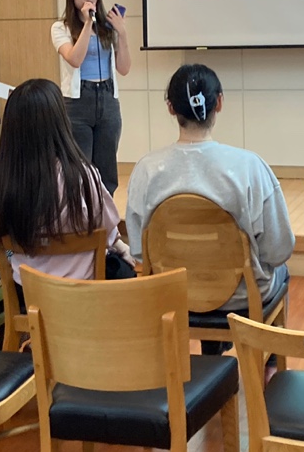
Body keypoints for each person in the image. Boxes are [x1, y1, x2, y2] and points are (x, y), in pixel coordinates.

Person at [126, 64, 294, 343]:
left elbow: (139, 252)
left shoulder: (146, 170)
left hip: (171, 295)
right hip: (242, 296)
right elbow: (279, 250)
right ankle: (268, 362)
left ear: (170, 108)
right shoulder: (249, 167)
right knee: (281, 271)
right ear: (219, 103)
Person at [0, 78, 134, 287]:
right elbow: (108, 232)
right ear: (61, 122)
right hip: (83, 293)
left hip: (28, 292)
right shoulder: (83, 176)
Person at [51, 0, 133, 195]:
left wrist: (122, 33)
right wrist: (88, 23)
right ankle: (80, 215)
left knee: (107, 171)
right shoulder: (61, 28)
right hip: (78, 102)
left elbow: (124, 68)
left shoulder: (108, 27)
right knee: (79, 170)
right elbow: (75, 59)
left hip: (107, 98)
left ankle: (105, 214)